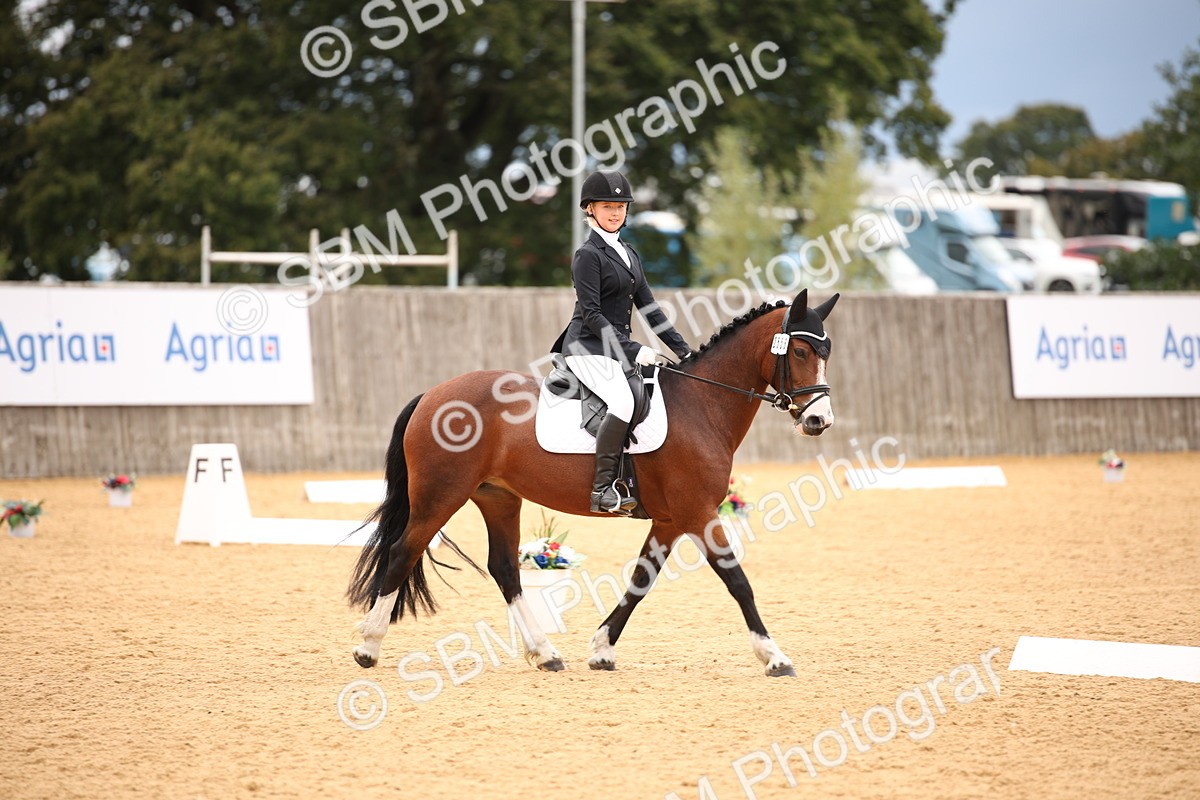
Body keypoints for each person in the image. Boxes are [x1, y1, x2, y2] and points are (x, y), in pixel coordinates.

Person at [551, 170, 692, 514]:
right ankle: (602, 491)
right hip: (586, 347)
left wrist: (686, 351)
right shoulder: (588, 255)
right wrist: (634, 349)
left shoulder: (629, 253)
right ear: (590, 209)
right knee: (623, 402)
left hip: (614, 350)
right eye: (607, 206)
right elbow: (591, 314)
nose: (615, 212)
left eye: (620, 206)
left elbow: (651, 310)